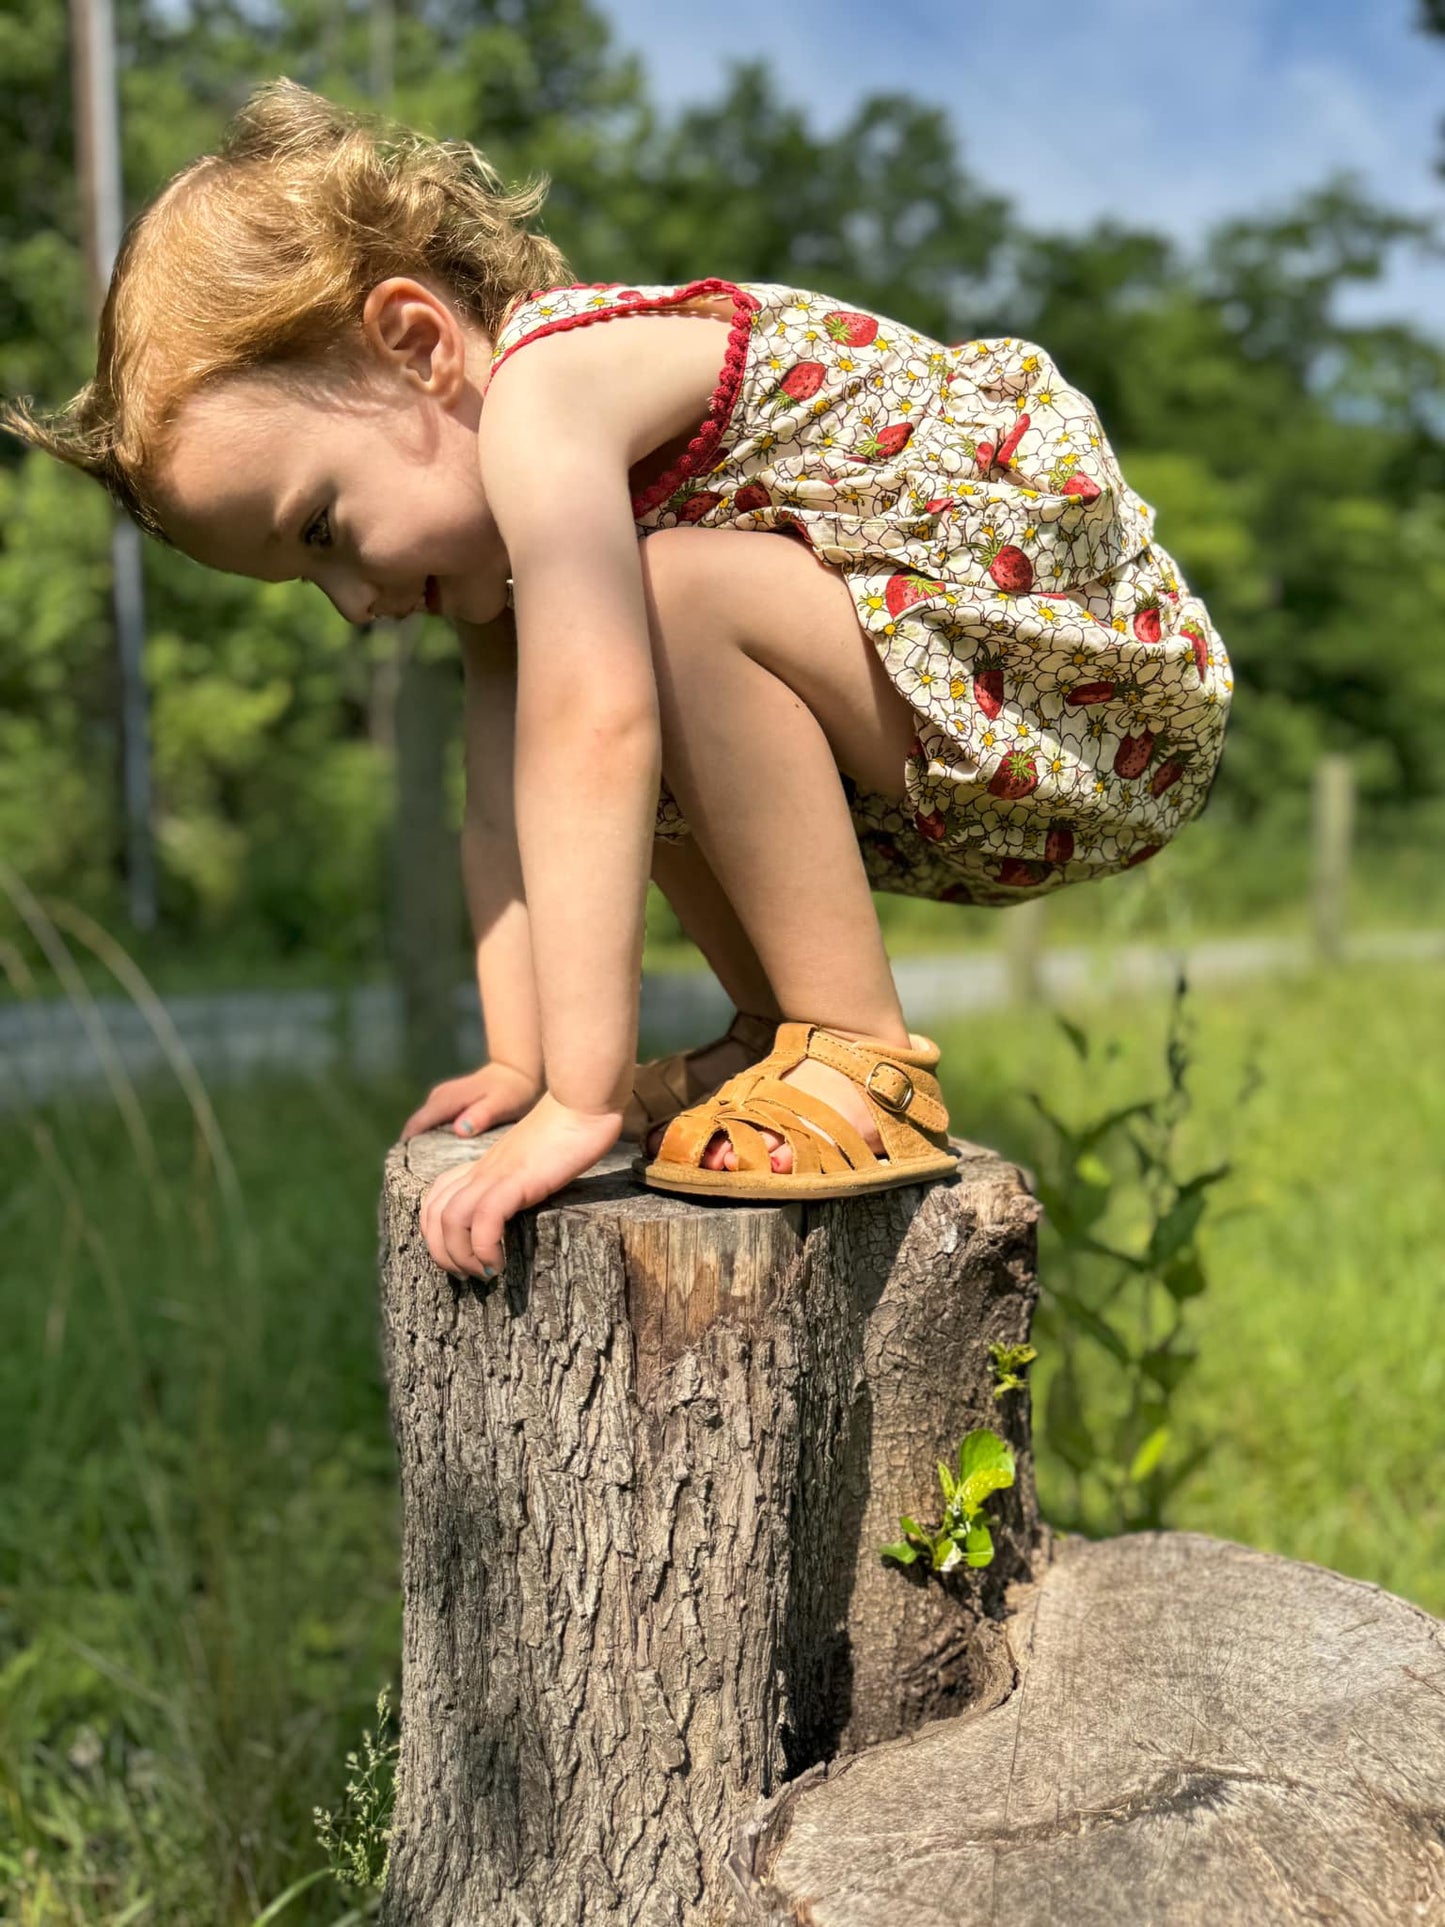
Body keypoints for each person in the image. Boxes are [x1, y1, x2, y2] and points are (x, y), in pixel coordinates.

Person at [4, 80, 1232, 1281]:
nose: (355, 603)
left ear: (417, 343)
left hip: (1078, 697)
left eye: (321, 527)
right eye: (304, 582)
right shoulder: (503, 551)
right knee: (607, 677)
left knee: (655, 616)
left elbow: (595, 730)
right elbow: (507, 803)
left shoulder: (547, 394)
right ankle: (777, 1030)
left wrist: (582, 1105)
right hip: (945, 724)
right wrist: (522, 1063)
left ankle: (861, 1053)